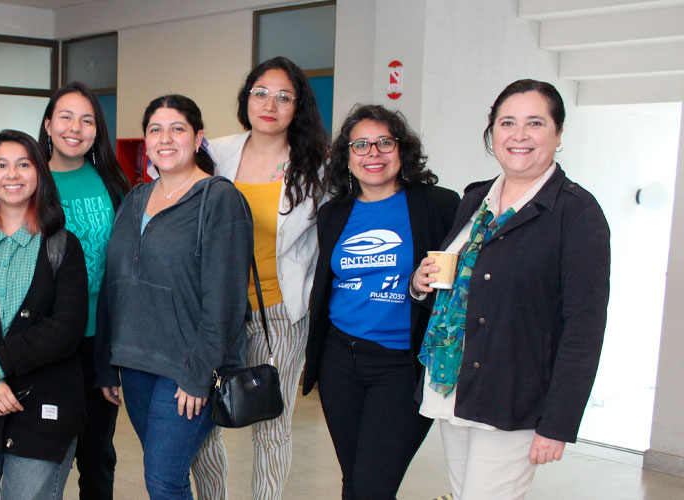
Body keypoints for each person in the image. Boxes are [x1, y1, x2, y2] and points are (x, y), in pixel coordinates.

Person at [411, 79, 610, 500]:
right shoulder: (476, 199)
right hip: (453, 384)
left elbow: (584, 328)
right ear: (492, 133)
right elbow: (462, 283)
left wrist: (557, 423)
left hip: (513, 396)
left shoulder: (576, 213)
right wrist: (421, 282)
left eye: (534, 123)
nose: (519, 135)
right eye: (507, 123)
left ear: (558, 134)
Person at [96, 95, 253, 500]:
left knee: (164, 479)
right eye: (155, 129)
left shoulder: (219, 199)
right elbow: (116, 283)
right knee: (161, 469)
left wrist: (199, 373)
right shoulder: (134, 200)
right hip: (135, 363)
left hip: (186, 369)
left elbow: (226, 299)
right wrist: (107, 363)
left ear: (198, 138)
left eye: (177, 128)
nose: (165, 138)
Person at [303, 105, 460, 499]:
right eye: (361, 145)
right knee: (354, 480)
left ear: (401, 150)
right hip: (340, 360)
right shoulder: (333, 214)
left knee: (373, 485)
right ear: (347, 157)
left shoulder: (437, 204)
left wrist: (421, 285)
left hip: (402, 365)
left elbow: (461, 275)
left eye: (384, 143)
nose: (373, 153)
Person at [192, 56, 329, 499]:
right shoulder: (215, 153)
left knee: (271, 423)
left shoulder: (316, 167)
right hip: (215, 313)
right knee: (203, 422)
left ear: (298, 107)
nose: (270, 104)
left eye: (284, 96)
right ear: (246, 99)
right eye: (261, 93)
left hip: (279, 314)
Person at [0, 129, 89, 500]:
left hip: (44, 407)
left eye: (24, 165)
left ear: (39, 173)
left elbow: (67, 326)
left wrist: (0, 364)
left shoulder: (62, 245)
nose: (12, 175)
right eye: (1, 165)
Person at [37, 82, 130, 500]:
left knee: (97, 457)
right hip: (45, 340)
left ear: (97, 130)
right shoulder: (29, 179)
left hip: (98, 341)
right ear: (48, 125)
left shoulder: (112, 183)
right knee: (44, 455)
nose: (76, 128)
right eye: (66, 117)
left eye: (87, 120)